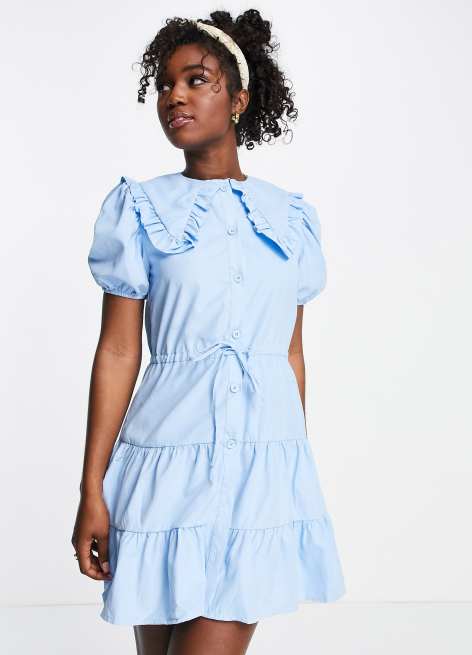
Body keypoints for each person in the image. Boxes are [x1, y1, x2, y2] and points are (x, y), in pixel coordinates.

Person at [71, 9, 346, 655]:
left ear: (239, 99)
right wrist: (92, 489)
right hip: (162, 466)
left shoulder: (290, 218)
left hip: (256, 477)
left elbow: (290, 354)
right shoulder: (139, 208)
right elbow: (118, 351)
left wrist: (287, 476)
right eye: (166, 84)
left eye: (196, 80)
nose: (175, 96)